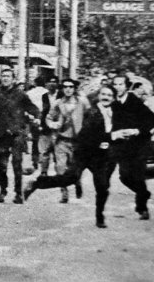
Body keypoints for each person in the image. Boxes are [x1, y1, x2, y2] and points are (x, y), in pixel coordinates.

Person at [24, 86, 117, 228]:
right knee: (69, 178)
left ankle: (100, 217)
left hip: (100, 156)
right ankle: (37, 183)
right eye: (103, 94)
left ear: (113, 98)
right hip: (84, 152)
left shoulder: (115, 112)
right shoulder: (92, 112)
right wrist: (107, 138)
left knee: (102, 186)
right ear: (99, 96)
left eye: (109, 95)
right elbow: (89, 135)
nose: (106, 97)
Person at [0, 69, 40, 204]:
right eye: (3, 76)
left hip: (16, 133)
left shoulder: (20, 94)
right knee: (1, 166)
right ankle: (3, 190)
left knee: (17, 163)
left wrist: (36, 117)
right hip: (0, 135)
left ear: (13, 79)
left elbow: (32, 108)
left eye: (8, 76)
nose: (5, 78)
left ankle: (18, 193)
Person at [110, 75, 154, 220]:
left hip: (140, 145)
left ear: (127, 86)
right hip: (124, 147)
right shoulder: (113, 104)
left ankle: (142, 208)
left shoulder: (135, 101)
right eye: (115, 84)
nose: (118, 87)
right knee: (124, 176)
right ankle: (144, 193)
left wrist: (137, 130)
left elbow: (151, 120)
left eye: (121, 84)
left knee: (138, 175)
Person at [44, 78, 90, 203]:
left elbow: (91, 116)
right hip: (62, 140)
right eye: (65, 87)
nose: (68, 89)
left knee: (75, 167)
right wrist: (53, 125)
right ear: (62, 89)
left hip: (78, 141)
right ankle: (64, 192)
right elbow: (48, 118)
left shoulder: (82, 102)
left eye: (70, 87)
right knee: (60, 167)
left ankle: (77, 182)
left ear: (75, 89)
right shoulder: (58, 103)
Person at [37, 76, 59, 176]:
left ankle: (60, 172)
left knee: (58, 151)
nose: (51, 84)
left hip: (59, 127)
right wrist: (42, 124)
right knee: (44, 151)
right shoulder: (44, 96)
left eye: (54, 82)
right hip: (46, 127)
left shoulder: (62, 95)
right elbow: (44, 111)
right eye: (49, 82)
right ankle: (44, 171)